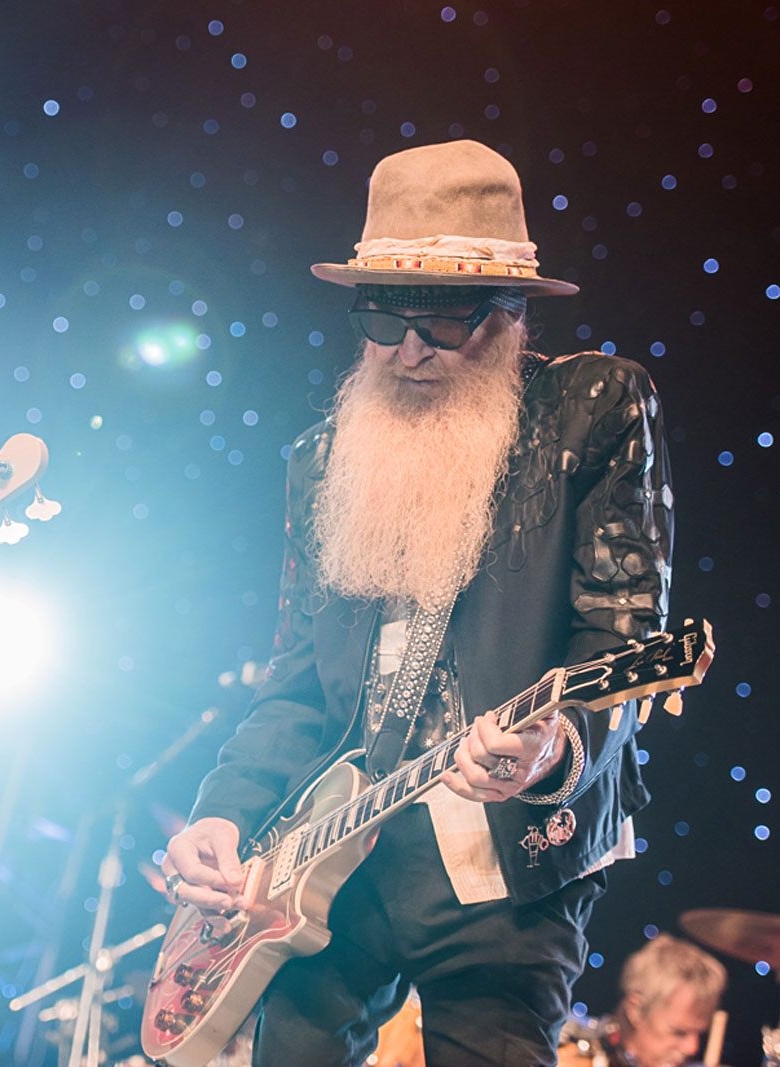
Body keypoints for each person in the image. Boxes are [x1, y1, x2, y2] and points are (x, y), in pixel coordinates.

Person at [160, 139, 673, 1066]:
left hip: (507, 868)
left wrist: (554, 747)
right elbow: (294, 681)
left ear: (511, 311)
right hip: (330, 866)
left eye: (442, 319)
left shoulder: (594, 407)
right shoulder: (322, 458)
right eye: (381, 315)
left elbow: (622, 638)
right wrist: (224, 810)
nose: (407, 348)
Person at [562, 935, 727, 1067]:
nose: (692, 1048)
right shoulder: (569, 1053)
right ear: (635, 1010)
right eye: (678, 1032)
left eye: (700, 1034)